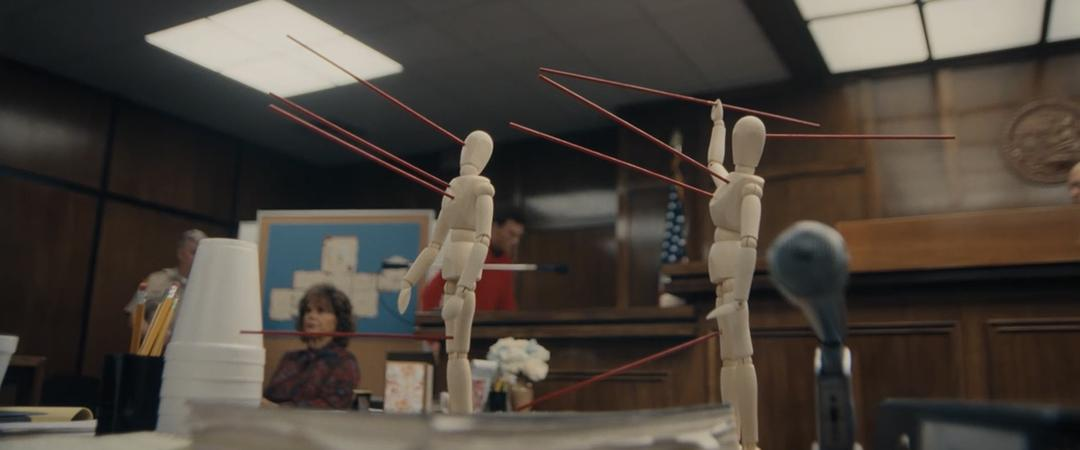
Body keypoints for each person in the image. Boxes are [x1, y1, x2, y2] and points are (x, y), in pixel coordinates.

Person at [263, 284, 359, 409]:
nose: (311, 316)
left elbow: (330, 407)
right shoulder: (291, 358)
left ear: (339, 320)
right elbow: (269, 396)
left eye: (321, 311)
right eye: (307, 311)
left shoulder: (344, 361)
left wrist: (277, 409)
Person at [420, 208, 525, 312]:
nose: (515, 241)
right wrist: (433, 321)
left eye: (518, 236)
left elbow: (507, 305)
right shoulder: (467, 253)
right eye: (511, 234)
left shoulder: (505, 264)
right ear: (495, 227)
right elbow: (430, 294)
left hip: (485, 322)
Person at [124, 229, 206, 326]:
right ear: (180, 253)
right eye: (194, 252)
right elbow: (134, 314)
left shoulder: (207, 288)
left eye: (202, 254)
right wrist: (149, 332)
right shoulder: (156, 280)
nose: (198, 258)